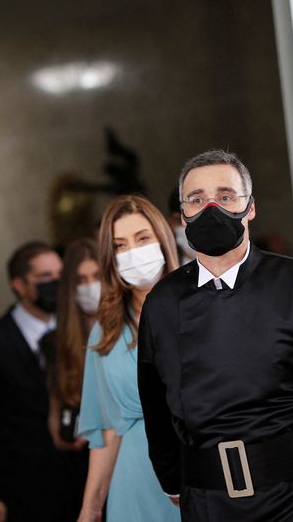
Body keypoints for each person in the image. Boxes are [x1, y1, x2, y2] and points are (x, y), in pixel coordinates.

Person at [137, 150, 293, 521]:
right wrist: (172, 481)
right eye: (197, 200)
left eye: (226, 196)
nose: (211, 207)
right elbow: (156, 406)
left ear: (251, 208)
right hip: (208, 502)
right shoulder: (162, 303)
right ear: (182, 216)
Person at [76, 195, 180, 522]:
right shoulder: (105, 332)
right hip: (133, 483)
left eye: (142, 238)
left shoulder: (199, 312)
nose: (133, 252)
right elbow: (108, 433)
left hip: (197, 475)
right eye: (120, 245)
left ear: (163, 241)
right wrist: (90, 509)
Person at [0, 241, 64, 522]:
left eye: (60, 276)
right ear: (19, 285)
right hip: (20, 488)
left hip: (74, 479)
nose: (56, 284)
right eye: (45, 278)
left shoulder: (78, 332)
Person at [41, 238, 101, 520]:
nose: (90, 286)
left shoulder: (135, 331)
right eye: (81, 280)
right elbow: (56, 417)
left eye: (97, 276)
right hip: (78, 466)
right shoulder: (56, 344)